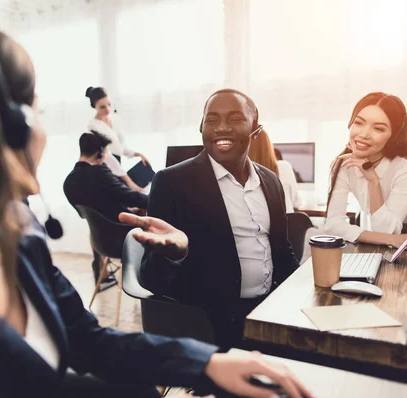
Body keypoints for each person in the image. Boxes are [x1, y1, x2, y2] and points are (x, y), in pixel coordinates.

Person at [0, 15, 316, 398]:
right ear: (7, 125)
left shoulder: (17, 236)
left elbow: (85, 340)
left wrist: (203, 363)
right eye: (38, 111)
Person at [120, 89, 299, 350]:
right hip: (210, 324)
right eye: (212, 120)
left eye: (235, 119)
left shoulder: (271, 182)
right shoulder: (172, 183)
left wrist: (304, 295)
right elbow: (153, 280)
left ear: (255, 129)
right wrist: (173, 255)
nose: (222, 128)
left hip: (269, 313)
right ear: (201, 127)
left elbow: (282, 253)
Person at [324, 92, 407, 252]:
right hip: (401, 241)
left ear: (393, 135)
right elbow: (332, 225)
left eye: (378, 129)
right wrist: (393, 239)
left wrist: (373, 180)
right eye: (359, 123)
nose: (363, 134)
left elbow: (386, 229)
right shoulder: (342, 165)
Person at [63, 131, 148, 283]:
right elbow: (130, 196)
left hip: (100, 240)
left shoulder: (68, 181)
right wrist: (156, 198)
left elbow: (92, 210)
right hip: (121, 237)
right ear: (99, 153)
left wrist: (128, 210)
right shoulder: (99, 172)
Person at [86, 86, 148, 192]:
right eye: (102, 107)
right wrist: (129, 181)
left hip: (118, 163)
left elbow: (120, 147)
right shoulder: (93, 126)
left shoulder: (114, 119)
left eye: (109, 104)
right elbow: (107, 156)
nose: (108, 109)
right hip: (106, 166)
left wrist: (137, 154)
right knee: (127, 194)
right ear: (94, 106)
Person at [248, 129, 301, 213]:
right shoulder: (284, 167)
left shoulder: (241, 175)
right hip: (286, 223)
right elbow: (297, 203)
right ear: (269, 146)